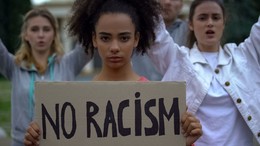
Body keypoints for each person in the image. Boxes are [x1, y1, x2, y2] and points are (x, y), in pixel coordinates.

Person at [24, 0, 202, 146]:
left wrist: (182, 142)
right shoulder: (77, 101)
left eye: (124, 38)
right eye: (105, 38)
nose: (114, 47)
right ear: (94, 39)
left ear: (136, 39)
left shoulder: (157, 102)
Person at [148, 0, 260, 145]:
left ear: (223, 23)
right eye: (202, 17)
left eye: (216, 17)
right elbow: (155, 31)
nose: (209, 23)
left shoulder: (244, 58)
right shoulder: (178, 61)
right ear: (190, 24)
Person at [0, 7, 91, 146]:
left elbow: (89, 39)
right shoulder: (14, 66)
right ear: (25, 34)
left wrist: (91, 7)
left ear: (54, 33)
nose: (41, 34)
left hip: (61, 143)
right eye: (34, 29)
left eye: (46, 29)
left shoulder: (69, 63)